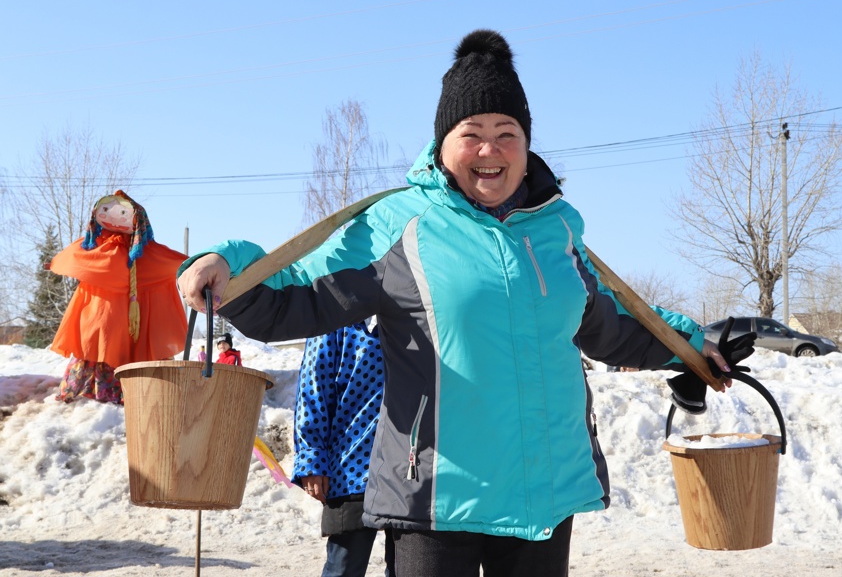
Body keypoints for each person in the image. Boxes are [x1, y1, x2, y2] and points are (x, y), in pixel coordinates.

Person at [178, 29, 750, 577]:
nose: (489, 149)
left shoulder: (556, 230)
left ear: (527, 144)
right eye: (471, 132)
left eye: (507, 133)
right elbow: (294, 292)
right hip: (435, 496)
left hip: (543, 495)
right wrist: (228, 260)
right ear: (442, 143)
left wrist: (689, 345)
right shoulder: (402, 223)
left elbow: (607, 325)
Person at [50, 190, 188, 404]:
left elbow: (77, 258)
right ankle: (118, 392)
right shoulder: (129, 249)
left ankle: (95, 391)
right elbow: (178, 263)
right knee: (100, 345)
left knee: (98, 344)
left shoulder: (124, 249)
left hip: (104, 316)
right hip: (109, 317)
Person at [293, 319, 394, 577]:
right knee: (344, 568)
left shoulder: (414, 314)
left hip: (409, 466)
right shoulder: (336, 316)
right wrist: (311, 457)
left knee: (409, 568)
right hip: (353, 466)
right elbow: (314, 387)